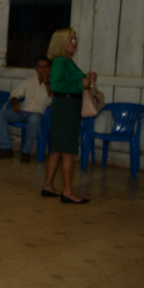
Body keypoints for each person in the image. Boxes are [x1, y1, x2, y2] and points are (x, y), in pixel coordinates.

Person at [41, 28, 95, 204]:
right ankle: (68, 192)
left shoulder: (67, 62)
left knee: (57, 149)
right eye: (71, 40)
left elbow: (69, 81)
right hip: (65, 108)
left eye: (75, 39)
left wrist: (86, 78)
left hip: (66, 107)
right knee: (68, 152)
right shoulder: (61, 62)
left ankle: (48, 186)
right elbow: (55, 86)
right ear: (62, 44)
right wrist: (81, 83)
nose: (75, 42)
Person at [0, 56, 52, 163]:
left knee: (33, 120)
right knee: (0, 114)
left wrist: (47, 82)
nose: (42, 69)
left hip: (39, 114)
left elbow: (52, 95)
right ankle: (6, 148)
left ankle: (26, 151)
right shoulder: (29, 81)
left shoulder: (54, 83)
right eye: (40, 67)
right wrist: (15, 103)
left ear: (50, 68)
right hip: (23, 111)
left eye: (45, 67)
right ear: (36, 68)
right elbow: (15, 93)